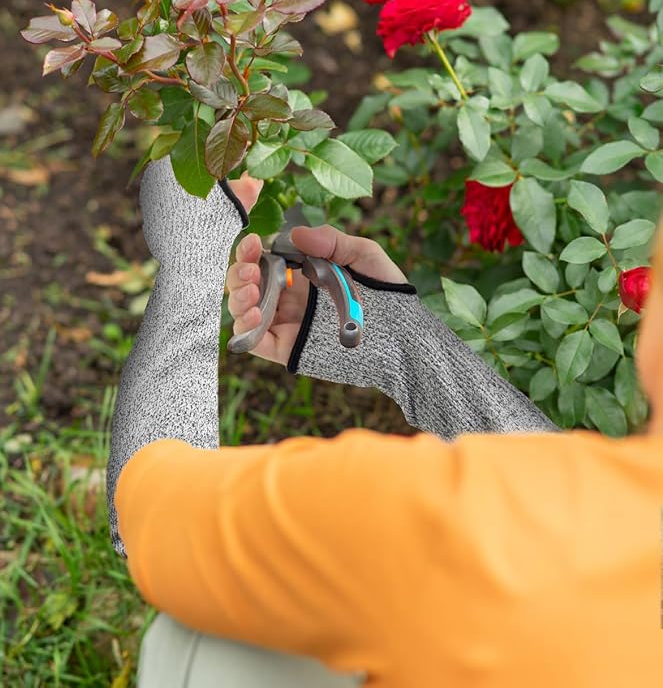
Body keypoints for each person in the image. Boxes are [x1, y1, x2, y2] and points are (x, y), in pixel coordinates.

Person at [106, 156, 663, 687]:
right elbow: (562, 507)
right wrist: (405, 347)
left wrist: (192, 264)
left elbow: (152, 502)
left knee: (209, 643)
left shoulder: (432, 522)